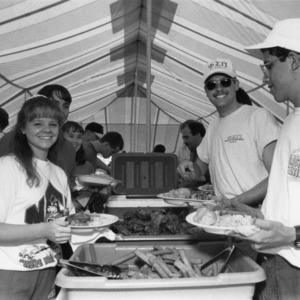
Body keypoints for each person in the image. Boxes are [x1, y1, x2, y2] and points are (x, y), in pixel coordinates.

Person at [230, 18, 300, 299]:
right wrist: (262, 216)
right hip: (276, 263)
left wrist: (293, 235)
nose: (264, 78)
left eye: (269, 66)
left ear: (293, 60)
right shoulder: (292, 119)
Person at [178, 58, 280, 206]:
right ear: (206, 91)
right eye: (212, 85)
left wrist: (236, 202)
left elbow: (278, 173)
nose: (218, 88)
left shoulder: (258, 116)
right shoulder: (213, 126)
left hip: (256, 211)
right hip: (226, 210)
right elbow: (200, 167)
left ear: (236, 84)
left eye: (225, 82)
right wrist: (188, 167)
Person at [0, 96, 73, 300]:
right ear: (23, 128)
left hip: (48, 269)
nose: (47, 129)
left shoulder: (58, 173)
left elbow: (67, 221)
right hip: (9, 271)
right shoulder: (8, 167)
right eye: (37, 123)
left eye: (53, 124)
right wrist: (44, 230)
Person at [0, 84, 76, 181]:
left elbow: (69, 181)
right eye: (54, 103)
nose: (60, 109)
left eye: (65, 106)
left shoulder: (69, 148)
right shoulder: (11, 140)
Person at [176, 120, 208, 188]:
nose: (184, 141)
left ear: (198, 135)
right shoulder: (192, 151)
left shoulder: (209, 152)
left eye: (186, 137)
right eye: (183, 138)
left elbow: (194, 179)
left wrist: (178, 189)